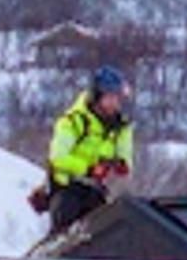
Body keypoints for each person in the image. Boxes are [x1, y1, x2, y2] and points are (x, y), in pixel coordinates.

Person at [34, 63, 134, 234]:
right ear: (97, 97)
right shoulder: (73, 122)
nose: (115, 104)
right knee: (63, 238)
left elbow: (125, 158)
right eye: (110, 98)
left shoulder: (121, 127)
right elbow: (57, 158)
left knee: (103, 236)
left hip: (95, 192)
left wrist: (121, 165)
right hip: (67, 191)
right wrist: (89, 169)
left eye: (118, 98)